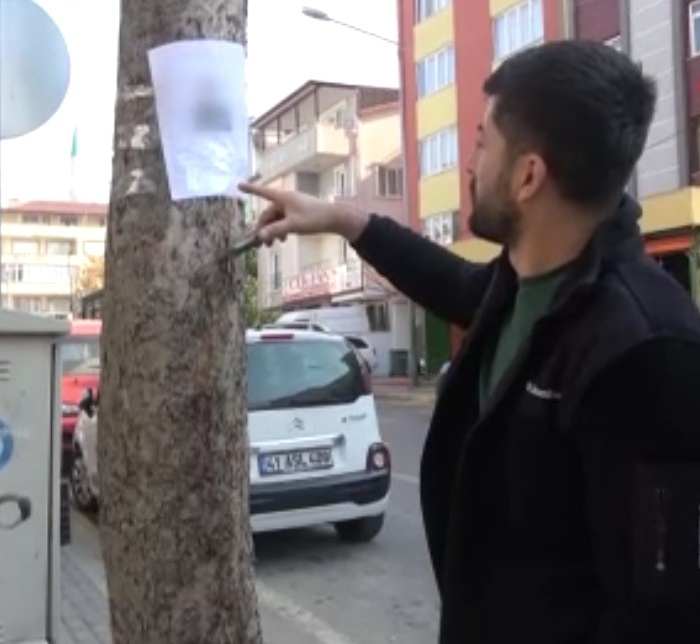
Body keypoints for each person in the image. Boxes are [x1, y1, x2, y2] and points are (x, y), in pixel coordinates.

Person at [241, 40, 700, 644]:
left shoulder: (645, 349)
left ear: (529, 175)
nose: (469, 162)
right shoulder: (521, 283)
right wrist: (339, 218)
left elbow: (659, 612)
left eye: (482, 141)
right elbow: (452, 281)